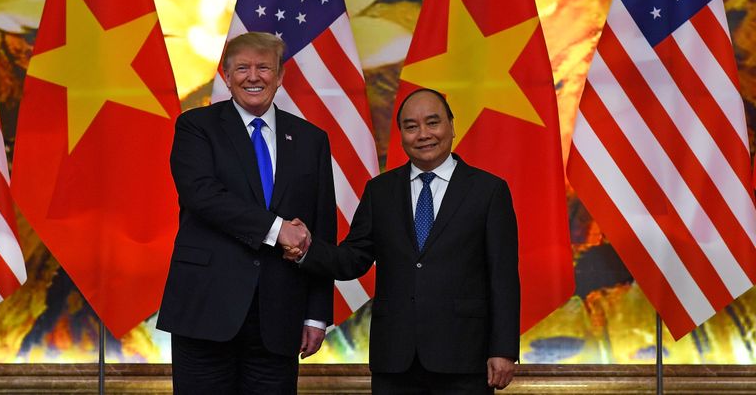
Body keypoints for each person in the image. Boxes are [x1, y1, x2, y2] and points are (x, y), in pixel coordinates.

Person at [288, 88, 520, 394]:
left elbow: (503, 277)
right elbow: (353, 258)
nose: (422, 134)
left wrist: (503, 349)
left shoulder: (489, 191)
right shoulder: (380, 191)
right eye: (411, 127)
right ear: (401, 135)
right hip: (395, 359)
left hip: (464, 356)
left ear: (452, 126)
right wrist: (307, 249)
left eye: (432, 123)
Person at [156, 31, 336, 394]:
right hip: (205, 308)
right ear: (226, 76)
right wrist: (277, 229)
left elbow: (320, 228)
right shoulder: (196, 127)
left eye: (263, 68)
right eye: (242, 68)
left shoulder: (310, 139)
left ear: (280, 76)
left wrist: (316, 314)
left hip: (280, 314)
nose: (253, 76)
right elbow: (202, 196)